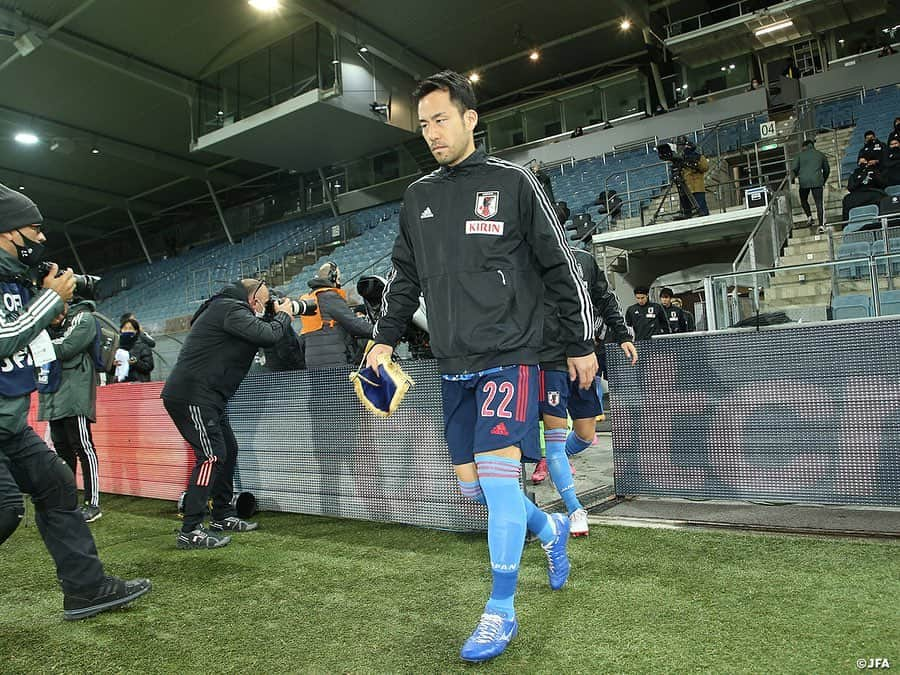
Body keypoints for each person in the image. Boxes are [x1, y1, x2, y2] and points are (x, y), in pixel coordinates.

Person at [367, 70, 597, 663]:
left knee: (498, 486)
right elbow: (403, 279)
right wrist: (383, 340)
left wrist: (580, 341)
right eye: (422, 125)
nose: (431, 133)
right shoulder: (418, 197)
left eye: (440, 119)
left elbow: (559, 266)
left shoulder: (513, 183)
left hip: (511, 358)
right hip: (451, 364)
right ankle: (547, 534)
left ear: (471, 118)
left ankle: (500, 611)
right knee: (476, 492)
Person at [0, 183, 151, 619]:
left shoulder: (13, 280)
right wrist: (50, 300)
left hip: (9, 424)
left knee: (59, 486)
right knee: (5, 510)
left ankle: (87, 590)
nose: (42, 238)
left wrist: (40, 292)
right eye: (34, 228)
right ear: (8, 232)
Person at [161, 279, 294, 549]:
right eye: (262, 302)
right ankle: (191, 529)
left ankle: (221, 515)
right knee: (210, 456)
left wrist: (275, 318)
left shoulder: (228, 310)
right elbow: (268, 335)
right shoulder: (229, 309)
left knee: (228, 450)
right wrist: (283, 315)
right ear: (251, 298)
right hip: (194, 395)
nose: (262, 307)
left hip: (208, 397)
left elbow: (273, 341)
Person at [538, 246, 636, 537]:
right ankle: (575, 509)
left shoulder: (584, 259)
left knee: (586, 435)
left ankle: (556, 463)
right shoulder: (530, 256)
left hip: (583, 357)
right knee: (554, 440)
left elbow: (604, 298)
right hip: (549, 360)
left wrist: (621, 335)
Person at [38, 300, 104, 523]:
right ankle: (68, 501)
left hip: (75, 394)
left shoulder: (84, 318)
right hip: (54, 396)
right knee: (63, 451)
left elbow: (66, 348)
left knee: (83, 448)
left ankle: (92, 503)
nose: (52, 318)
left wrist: (41, 348)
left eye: (54, 313)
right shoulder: (50, 327)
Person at [300, 262, 373, 370]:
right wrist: (379, 330)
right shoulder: (329, 296)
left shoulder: (309, 298)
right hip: (334, 361)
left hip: (312, 362)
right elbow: (354, 324)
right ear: (332, 278)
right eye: (338, 279)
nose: (339, 282)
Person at [791, 139, 830, 232]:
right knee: (819, 203)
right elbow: (827, 169)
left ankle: (809, 217)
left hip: (804, 182)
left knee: (803, 199)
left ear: (804, 146)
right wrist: (823, 180)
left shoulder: (799, 155)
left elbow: (794, 169)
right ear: (812, 145)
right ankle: (821, 225)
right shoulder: (820, 154)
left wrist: (793, 179)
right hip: (817, 182)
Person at [842, 157, 886, 222]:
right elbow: (850, 187)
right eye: (860, 162)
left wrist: (874, 174)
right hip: (858, 194)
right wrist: (861, 179)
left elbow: (882, 183)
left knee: (881, 197)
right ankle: (846, 224)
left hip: (873, 192)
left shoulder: (874, 171)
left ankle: (881, 222)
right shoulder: (854, 174)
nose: (862, 163)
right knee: (847, 199)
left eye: (864, 161)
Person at [678, 139, 709, 217]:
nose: (686, 148)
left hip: (697, 186)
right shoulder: (681, 159)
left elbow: (705, 167)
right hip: (686, 187)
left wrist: (696, 163)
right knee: (687, 210)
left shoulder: (699, 157)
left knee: (702, 208)